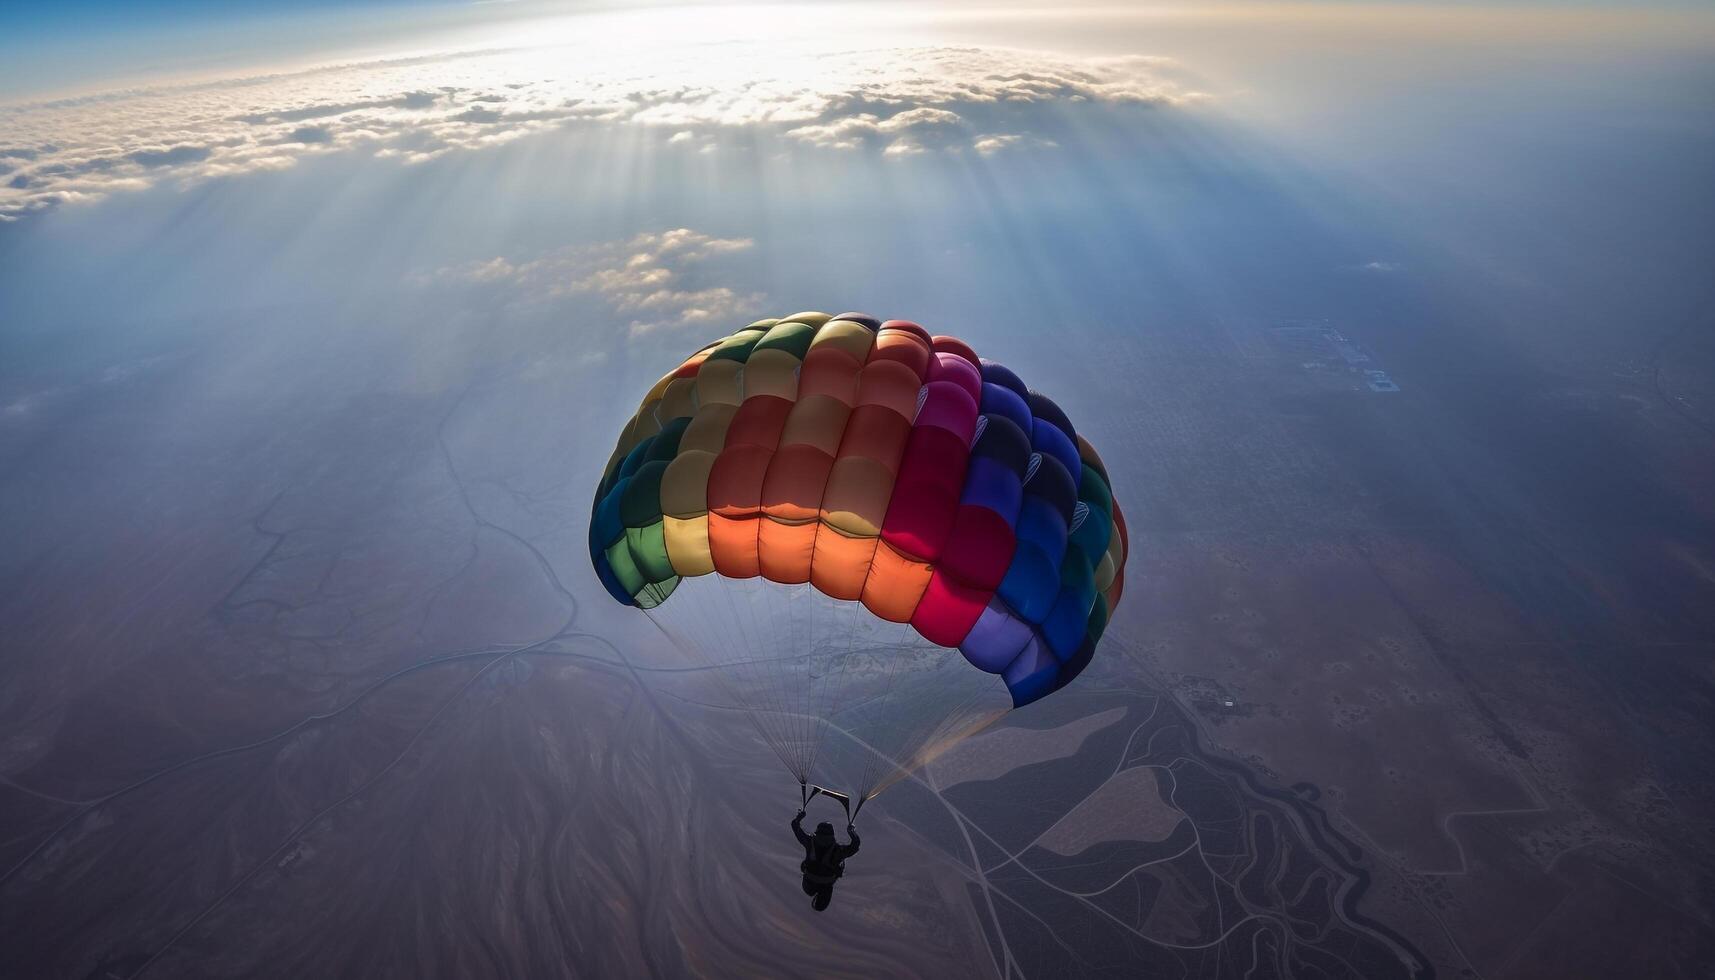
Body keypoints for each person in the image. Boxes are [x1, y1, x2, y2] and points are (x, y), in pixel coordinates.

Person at [792, 809, 861, 911]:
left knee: (811, 891)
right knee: (817, 897)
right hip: (821, 882)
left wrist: (799, 817)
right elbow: (855, 846)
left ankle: (819, 901)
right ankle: (819, 902)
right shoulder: (838, 851)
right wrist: (851, 832)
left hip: (815, 882)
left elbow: (795, 827)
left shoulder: (810, 843)